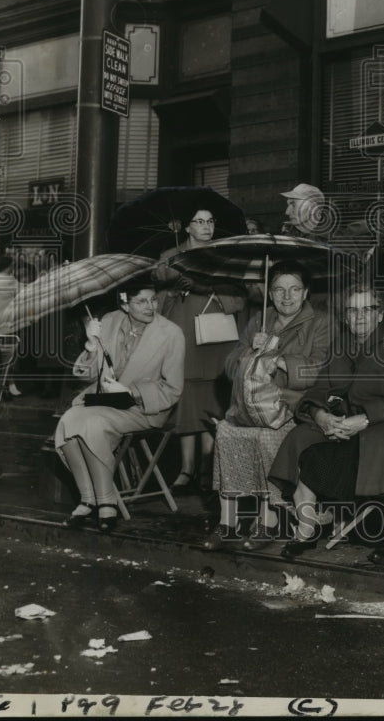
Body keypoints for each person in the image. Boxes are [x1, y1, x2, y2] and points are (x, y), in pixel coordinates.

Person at [269, 282, 384, 567]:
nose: (359, 316)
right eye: (352, 310)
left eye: (367, 309)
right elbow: (319, 390)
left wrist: (366, 418)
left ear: (380, 314)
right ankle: (307, 527)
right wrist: (321, 416)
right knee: (300, 436)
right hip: (348, 426)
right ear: (345, 316)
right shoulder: (340, 346)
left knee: (381, 439)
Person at [210, 261, 330, 546]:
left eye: (294, 289)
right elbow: (228, 367)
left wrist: (280, 361)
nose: (286, 297)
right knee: (226, 432)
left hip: (294, 406)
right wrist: (251, 349)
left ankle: (269, 520)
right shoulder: (259, 320)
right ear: (270, 293)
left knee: (266, 436)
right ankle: (228, 520)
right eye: (279, 290)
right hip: (254, 407)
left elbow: (321, 369)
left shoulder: (321, 322)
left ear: (305, 293)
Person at [54, 279, 185, 533]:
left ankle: (107, 503)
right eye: (141, 302)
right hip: (104, 400)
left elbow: (172, 390)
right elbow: (87, 376)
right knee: (68, 422)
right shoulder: (111, 321)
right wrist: (91, 344)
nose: (151, 307)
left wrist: (130, 392)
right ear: (125, 304)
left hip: (144, 408)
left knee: (92, 424)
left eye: (154, 300)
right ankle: (88, 498)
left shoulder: (171, 334)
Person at [154, 205, 247, 493]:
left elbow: (239, 298)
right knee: (186, 399)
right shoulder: (172, 255)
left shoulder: (225, 255)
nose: (206, 226)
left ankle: (208, 468)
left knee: (212, 400)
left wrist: (207, 288)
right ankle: (186, 469)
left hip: (217, 340)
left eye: (210, 221)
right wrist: (176, 283)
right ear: (187, 227)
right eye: (199, 221)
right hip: (183, 334)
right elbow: (158, 281)